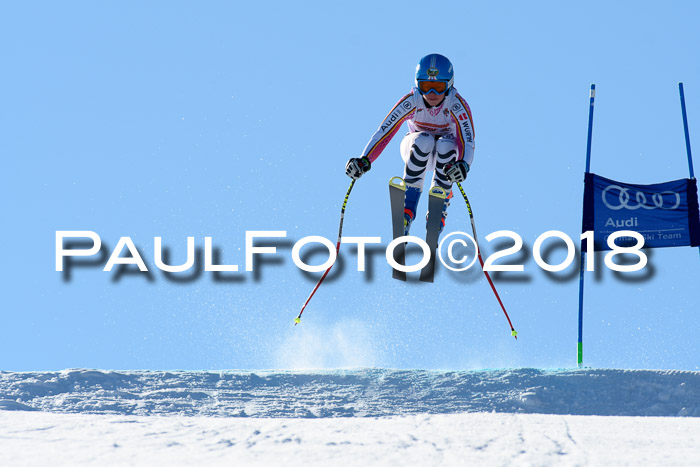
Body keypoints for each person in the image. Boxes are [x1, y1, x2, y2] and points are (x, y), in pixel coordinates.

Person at [345, 53, 475, 236]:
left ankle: (439, 204)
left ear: (449, 85)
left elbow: (467, 141)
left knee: (446, 144)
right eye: (426, 86)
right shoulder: (412, 101)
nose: (431, 94)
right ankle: (407, 210)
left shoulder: (456, 104)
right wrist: (364, 160)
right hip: (415, 148)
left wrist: (463, 165)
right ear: (417, 84)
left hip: (445, 158)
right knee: (425, 140)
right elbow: (385, 131)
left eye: (438, 87)